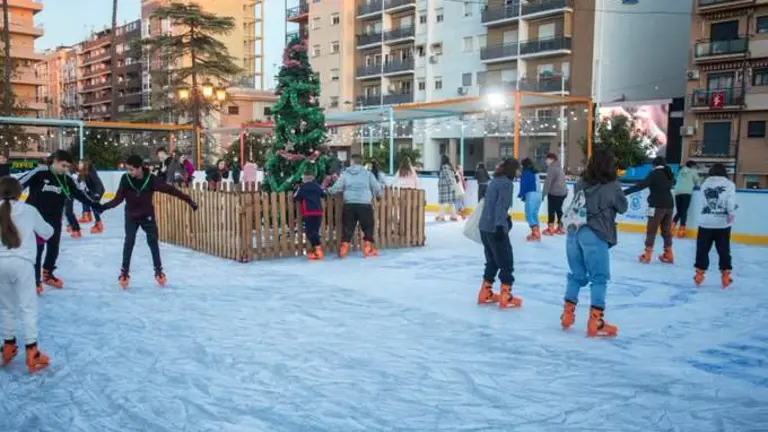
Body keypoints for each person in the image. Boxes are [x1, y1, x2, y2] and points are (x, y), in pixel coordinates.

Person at [100, 155, 198, 289]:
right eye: (127, 169)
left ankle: (158, 271)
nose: (129, 172)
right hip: (131, 216)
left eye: (131, 170)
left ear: (140, 168)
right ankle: (124, 272)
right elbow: (118, 199)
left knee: (153, 241)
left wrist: (188, 200)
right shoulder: (126, 179)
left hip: (147, 216)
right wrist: (104, 207)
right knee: (129, 242)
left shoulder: (151, 180)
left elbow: (170, 190)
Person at [560, 150, 628, 338]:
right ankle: (596, 321)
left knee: (576, 275)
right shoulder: (613, 186)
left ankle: (567, 315)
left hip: (574, 233)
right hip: (595, 234)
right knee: (599, 278)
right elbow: (623, 207)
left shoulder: (581, 182)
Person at [19, 150, 100, 293]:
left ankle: (47, 273)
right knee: (37, 249)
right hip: (35, 219)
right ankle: (35, 280)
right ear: (55, 162)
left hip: (55, 218)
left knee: (53, 247)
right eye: (63, 166)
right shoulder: (39, 173)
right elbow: (18, 185)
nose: (65, 169)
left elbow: (79, 194)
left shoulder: (66, 178)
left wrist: (96, 205)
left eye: (67, 167)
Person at [0, 176, 54, 373]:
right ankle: (32, 351)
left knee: (7, 308)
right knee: (28, 307)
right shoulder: (29, 210)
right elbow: (48, 232)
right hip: (22, 264)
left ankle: (7, 346)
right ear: (19, 192)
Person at [476, 158, 521, 309]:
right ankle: (505, 295)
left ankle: (485, 292)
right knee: (506, 261)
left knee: (492, 261)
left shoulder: (494, 181)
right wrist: (502, 225)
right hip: (496, 228)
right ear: (512, 170)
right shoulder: (506, 184)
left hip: (485, 227)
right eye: (517, 169)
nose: (519, 173)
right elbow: (501, 206)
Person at [328, 154, 383, 258]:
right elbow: (376, 187)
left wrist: (330, 191)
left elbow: (337, 186)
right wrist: (379, 195)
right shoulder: (368, 174)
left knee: (348, 227)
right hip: (364, 205)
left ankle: (344, 249)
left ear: (352, 162)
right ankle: (368, 248)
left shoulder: (345, 174)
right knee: (368, 227)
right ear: (361, 162)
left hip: (349, 204)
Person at [624, 156, 675, 264]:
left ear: (654, 165)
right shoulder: (668, 174)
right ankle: (669, 254)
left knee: (651, 230)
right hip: (669, 205)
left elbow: (641, 185)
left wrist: (625, 192)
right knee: (666, 230)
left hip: (656, 206)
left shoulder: (654, 174)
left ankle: (647, 255)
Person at [694, 163, 736, 288]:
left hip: (705, 223)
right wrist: (731, 213)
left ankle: (699, 275)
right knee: (723, 250)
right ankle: (726, 276)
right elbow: (731, 202)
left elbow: (703, 202)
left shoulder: (705, 184)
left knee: (702, 250)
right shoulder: (729, 185)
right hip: (722, 224)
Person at [294, 167, 326, 260]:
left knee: (310, 232)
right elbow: (323, 194)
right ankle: (315, 251)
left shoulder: (302, 187)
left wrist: (297, 188)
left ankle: (318, 249)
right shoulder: (317, 186)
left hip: (309, 212)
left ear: (303, 178)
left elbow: (296, 197)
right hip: (318, 212)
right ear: (313, 178)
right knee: (315, 231)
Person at [76, 159, 106, 234]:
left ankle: (99, 224)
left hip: (97, 191)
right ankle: (87, 215)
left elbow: (97, 184)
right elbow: (78, 181)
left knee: (94, 206)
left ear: (85, 164)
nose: (78, 165)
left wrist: (97, 195)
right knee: (84, 198)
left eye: (80, 163)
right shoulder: (82, 172)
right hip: (91, 191)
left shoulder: (92, 173)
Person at [542, 153, 568, 235]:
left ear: (551, 159)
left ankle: (551, 228)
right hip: (562, 192)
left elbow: (548, 182)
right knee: (558, 209)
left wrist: (543, 194)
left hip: (555, 193)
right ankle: (561, 227)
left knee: (551, 210)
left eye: (547, 159)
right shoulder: (559, 167)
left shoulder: (552, 168)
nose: (546, 161)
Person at [673, 160, 700, 238]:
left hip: (677, 191)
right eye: (695, 165)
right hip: (686, 192)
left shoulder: (681, 171)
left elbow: (676, 179)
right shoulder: (693, 171)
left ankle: (671, 226)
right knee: (684, 211)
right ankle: (681, 230)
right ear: (692, 166)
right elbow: (697, 181)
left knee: (679, 211)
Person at [518, 158, 542, 241]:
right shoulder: (535, 172)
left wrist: (521, 194)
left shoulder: (526, 172)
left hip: (531, 195)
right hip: (538, 195)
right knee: (534, 214)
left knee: (529, 215)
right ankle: (537, 232)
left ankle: (535, 234)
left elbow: (525, 184)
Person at [436, 155, 458, 221]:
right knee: (451, 202)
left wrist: (451, 185)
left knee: (441, 202)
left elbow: (448, 177)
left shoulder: (444, 167)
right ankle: (453, 216)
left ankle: (442, 216)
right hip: (449, 187)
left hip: (445, 187)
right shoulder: (450, 167)